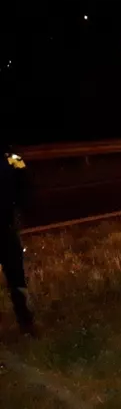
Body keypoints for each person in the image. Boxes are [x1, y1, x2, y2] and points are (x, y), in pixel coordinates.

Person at [0, 144, 37, 337]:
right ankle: (26, 322)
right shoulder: (11, 158)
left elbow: (26, 188)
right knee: (16, 277)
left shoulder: (12, 158)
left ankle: (26, 322)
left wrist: (20, 212)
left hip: (6, 229)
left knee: (17, 278)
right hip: (7, 229)